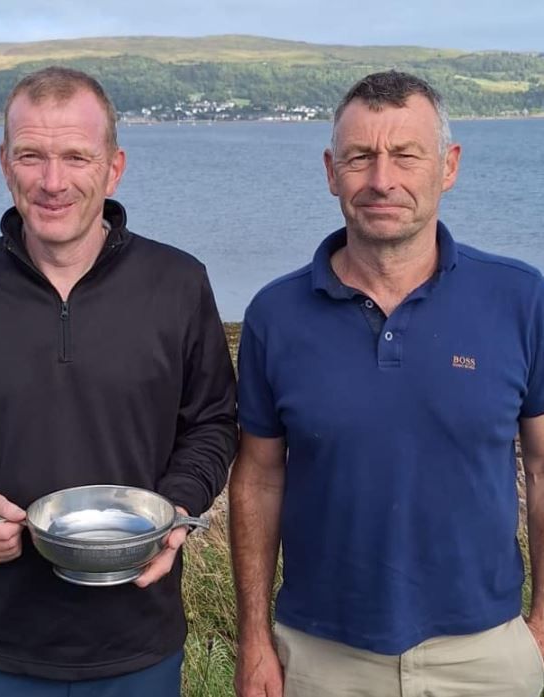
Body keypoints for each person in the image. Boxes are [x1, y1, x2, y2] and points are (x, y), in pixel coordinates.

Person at [0, 66, 237, 696]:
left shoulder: (178, 283)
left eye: (76, 157)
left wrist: (177, 506)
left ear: (114, 168)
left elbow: (213, 421)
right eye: (31, 155)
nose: (52, 182)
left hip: (138, 642)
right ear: (5, 163)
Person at [230, 70, 544, 697]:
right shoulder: (275, 315)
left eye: (406, 155)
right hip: (319, 655)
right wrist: (254, 637)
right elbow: (258, 479)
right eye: (359, 157)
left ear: (448, 166)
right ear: (331, 172)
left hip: (486, 655)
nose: (381, 179)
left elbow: (541, 467)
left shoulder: (521, 299)